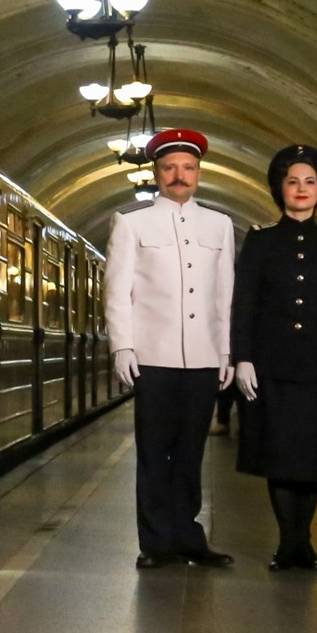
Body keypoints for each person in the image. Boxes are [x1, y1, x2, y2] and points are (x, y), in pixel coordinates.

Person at [105, 128, 236, 569]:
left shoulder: (219, 225)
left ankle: (188, 535)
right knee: (153, 451)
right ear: (157, 173)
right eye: (170, 168)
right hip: (153, 356)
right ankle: (156, 542)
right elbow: (118, 290)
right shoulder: (132, 222)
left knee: (191, 451)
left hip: (203, 356)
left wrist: (225, 353)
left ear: (198, 173)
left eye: (188, 168)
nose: (179, 176)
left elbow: (225, 294)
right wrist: (123, 346)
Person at [231, 145, 317, 572]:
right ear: (280, 189)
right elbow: (243, 303)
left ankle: (304, 541)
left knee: (312, 457)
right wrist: (242, 357)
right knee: (279, 456)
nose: (301, 189)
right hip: (272, 366)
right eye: (292, 181)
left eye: (309, 182)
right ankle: (288, 543)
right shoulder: (261, 241)